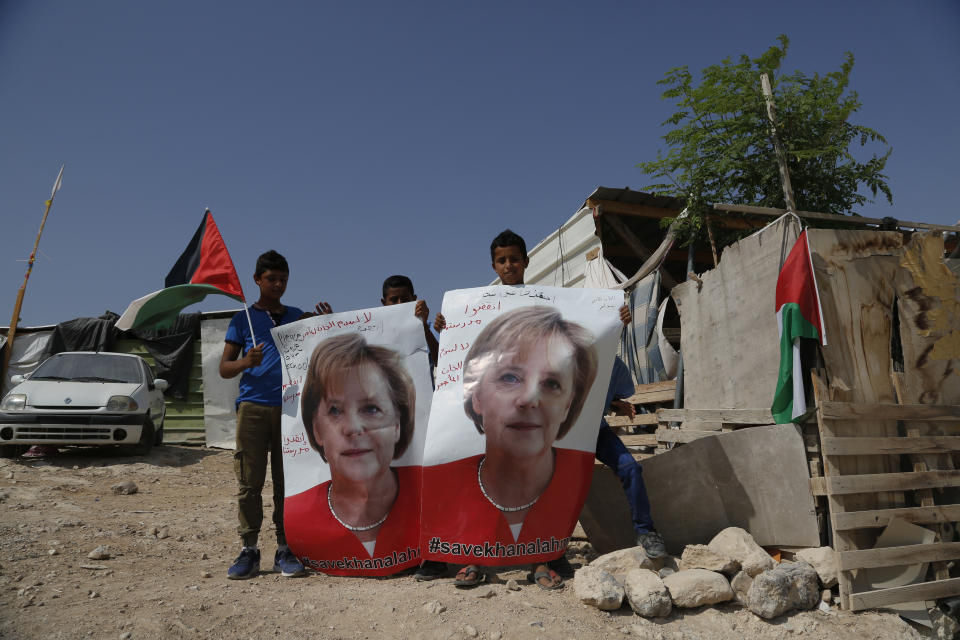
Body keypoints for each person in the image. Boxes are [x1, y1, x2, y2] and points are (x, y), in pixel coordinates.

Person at [421, 306, 599, 590]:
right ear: (476, 395)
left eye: (551, 383)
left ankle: (541, 559)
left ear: (568, 405)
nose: (529, 399)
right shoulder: (443, 478)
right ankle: (473, 555)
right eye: (510, 378)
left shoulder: (575, 473)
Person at [219, 250, 331, 580]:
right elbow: (224, 368)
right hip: (252, 406)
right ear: (257, 280)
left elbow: (323, 346)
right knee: (250, 483)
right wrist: (244, 363)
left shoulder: (297, 316)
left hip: (290, 409)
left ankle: (286, 547)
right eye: (271, 279)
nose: (278, 284)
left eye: (283, 279)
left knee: (287, 483)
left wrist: (325, 322)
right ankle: (249, 549)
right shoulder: (242, 319)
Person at [283, 333, 420, 575]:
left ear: (397, 425)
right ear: (316, 429)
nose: (353, 428)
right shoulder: (296, 517)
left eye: (371, 408)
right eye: (335, 411)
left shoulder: (433, 502)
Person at [381, 275, 439, 367]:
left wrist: (423, 326)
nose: (400, 304)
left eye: (405, 299)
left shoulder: (430, 329)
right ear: (384, 303)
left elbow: (442, 363)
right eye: (394, 300)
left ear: (414, 299)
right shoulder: (377, 334)